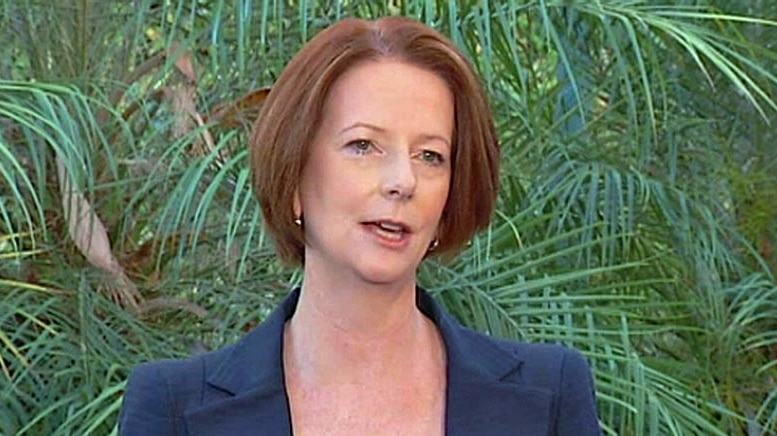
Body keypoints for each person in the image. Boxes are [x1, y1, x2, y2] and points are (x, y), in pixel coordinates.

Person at [119, 16, 602, 435]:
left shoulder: (549, 397)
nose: (402, 181)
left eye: (430, 156)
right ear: (294, 177)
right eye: (364, 146)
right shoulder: (175, 409)